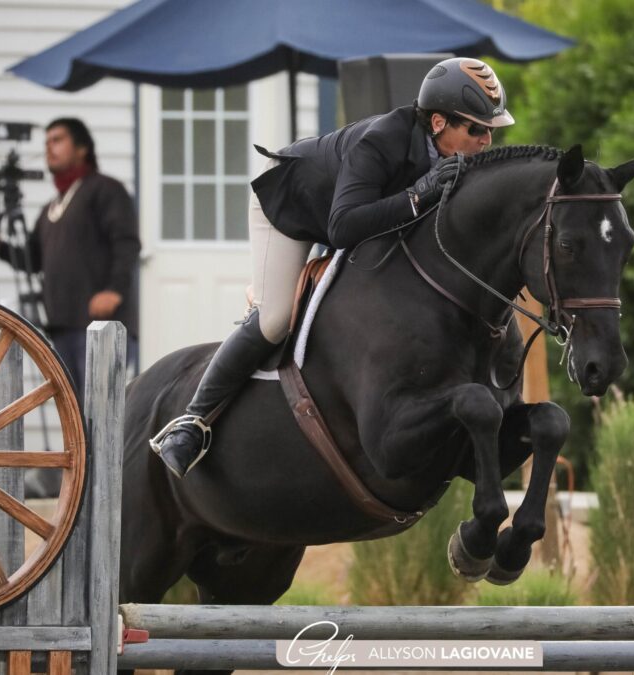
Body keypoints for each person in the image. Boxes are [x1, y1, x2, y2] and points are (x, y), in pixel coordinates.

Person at [152, 57, 515, 479]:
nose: (487, 140)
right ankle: (191, 424)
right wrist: (418, 196)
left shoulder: (457, 155)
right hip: (293, 207)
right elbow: (343, 228)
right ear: (438, 122)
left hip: (352, 214)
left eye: (490, 129)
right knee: (273, 320)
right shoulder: (381, 141)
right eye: (476, 129)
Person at [0, 118, 141, 402]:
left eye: (57, 140)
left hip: (101, 326)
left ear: (82, 148)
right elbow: (32, 259)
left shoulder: (105, 190)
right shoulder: (51, 208)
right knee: (75, 413)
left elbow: (127, 243)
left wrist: (113, 291)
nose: (49, 148)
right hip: (61, 325)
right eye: (46, 143)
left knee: (101, 409)